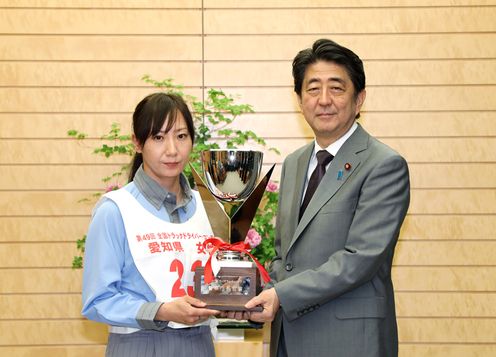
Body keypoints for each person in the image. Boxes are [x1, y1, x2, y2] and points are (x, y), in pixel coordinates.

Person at [244, 39, 411, 357]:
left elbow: (358, 259)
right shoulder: (294, 162)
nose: (324, 100)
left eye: (336, 88)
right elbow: (284, 254)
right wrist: (251, 293)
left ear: (359, 98)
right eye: (312, 88)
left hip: (349, 341)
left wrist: (282, 294)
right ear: (299, 99)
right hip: (289, 338)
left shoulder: (383, 165)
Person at [81, 93, 220, 357]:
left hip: (199, 343)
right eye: (158, 137)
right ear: (137, 142)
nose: (172, 150)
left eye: (181, 136)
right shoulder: (114, 211)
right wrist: (161, 311)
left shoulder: (209, 207)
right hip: (139, 344)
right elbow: (97, 300)